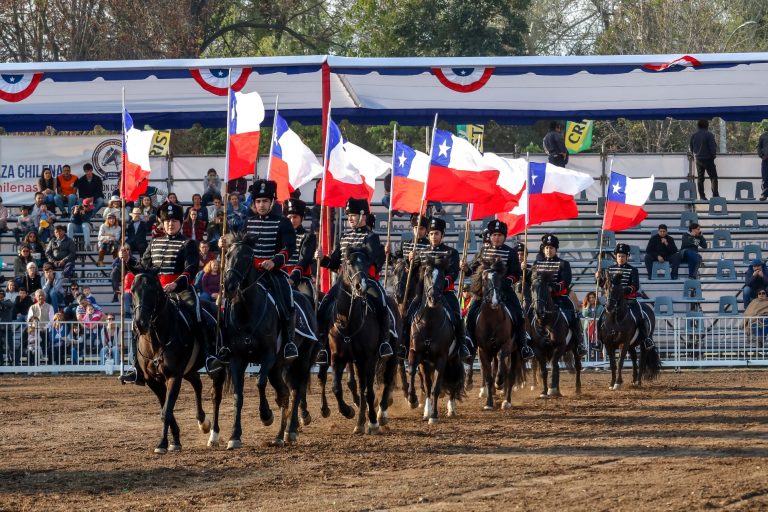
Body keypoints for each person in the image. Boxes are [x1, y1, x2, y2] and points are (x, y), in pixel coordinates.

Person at [120, 201, 224, 385]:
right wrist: (128, 260)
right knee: (139, 321)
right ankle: (136, 366)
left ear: (180, 223)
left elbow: (191, 268)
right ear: (162, 222)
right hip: (157, 293)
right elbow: (143, 268)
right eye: (167, 221)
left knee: (198, 314)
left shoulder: (189, 243)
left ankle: (209, 356)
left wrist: (176, 284)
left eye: (174, 221)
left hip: (181, 290)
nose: (171, 224)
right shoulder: (154, 243)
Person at [227, 179, 299, 360]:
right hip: (249, 273)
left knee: (287, 300)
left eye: (265, 201)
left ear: (272, 202)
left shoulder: (283, 223)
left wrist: (274, 261)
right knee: (229, 299)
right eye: (258, 201)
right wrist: (224, 242)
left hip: (273, 272)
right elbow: (237, 244)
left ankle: (289, 341)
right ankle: (226, 343)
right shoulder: (247, 221)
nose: (261, 205)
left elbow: (289, 248)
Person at [317, 197, 393, 360]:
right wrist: (323, 259)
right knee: (324, 305)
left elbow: (370, 257)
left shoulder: (371, 237)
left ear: (363, 216)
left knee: (382, 303)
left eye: (352, 215)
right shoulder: (344, 237)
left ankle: (384, 341)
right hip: (344, 283)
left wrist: (353, 255)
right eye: (348, 215)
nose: (349, 218)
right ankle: (323, 346)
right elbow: (334, 262)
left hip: (367, 281)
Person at [462, 220, 533, 360]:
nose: (497, 237)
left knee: (519, 314)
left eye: (500, 235)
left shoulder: (511, 252)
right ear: (490, 236)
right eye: (494, 234)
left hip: (505, 292)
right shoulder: (483, 251)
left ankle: (523, 345)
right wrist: (465, 268)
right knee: (470, 315)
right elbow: (473, 269)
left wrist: (504, 282)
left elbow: (515, 273)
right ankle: (469, 344)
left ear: (504, 237)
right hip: (483, 293)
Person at [407, 217, 470, 361]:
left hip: (445, 293)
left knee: (458, 316)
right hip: (424, 295)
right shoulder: (422, 252)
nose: (433, 236)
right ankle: (405, 346)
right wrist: (409, 260)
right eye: (431, 233)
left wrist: (440, 285)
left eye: (436, 233)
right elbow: (412, 270)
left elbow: (453, 273)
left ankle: (462, 346)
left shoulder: (451, 252)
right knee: (408, 314)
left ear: (442, 235)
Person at [530, 233, 586, 355]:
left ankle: (579, 342)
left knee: (573, 315)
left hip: (559, 298)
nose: (549, 250)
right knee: (528, 314)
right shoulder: (537, 264)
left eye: (551, 248)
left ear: (556, 249)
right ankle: (527, 343)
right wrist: (526, 269)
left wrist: (553, 288)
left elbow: (566, 281)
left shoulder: (563, 264)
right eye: (547, 248)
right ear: (543, 249)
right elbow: (533, 280)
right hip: (542, 300)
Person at [596, 243, 653, 349]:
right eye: (619, 256)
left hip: (629, 301)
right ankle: (599, 340)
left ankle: (646, 339)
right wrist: (599, 279)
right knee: (601, 318)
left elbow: (635, 286)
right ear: (616, 257)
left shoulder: (633, 270)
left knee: (640, 317)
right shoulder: (610, 269)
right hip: (613, 302)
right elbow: (605, 286)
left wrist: (622, 291)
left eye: (623, 256)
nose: (620, 258)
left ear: (627, 257)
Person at [282, 198, 317, 301]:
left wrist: (293, 278)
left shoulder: (308, 236)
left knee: (309, 301)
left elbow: (304, 259)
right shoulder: (281, 235)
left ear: (302, 218)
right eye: (289, 217)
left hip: (301, 279)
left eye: (295, 217)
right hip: (282, 276)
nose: (292, 220)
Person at [689, 119, 719, 200]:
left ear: (698, 126)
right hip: (708, 159)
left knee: (700, 178)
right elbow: (712, 147)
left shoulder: (694, 135)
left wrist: (695, 155)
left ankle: (702, 196)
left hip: (698, 160)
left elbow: (691, 148)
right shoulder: (709, 135)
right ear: (707, 126)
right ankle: (715, 196)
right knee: (713, 177)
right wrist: (713, 156)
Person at [515, 241, 532, 307]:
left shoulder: (531, 268)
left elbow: (531, 282)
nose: (519, 257)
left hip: (527, 298)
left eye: (522, 254)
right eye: (517, 254)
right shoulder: (510, 268)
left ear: (526, 256)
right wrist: (520, 270)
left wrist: (524, 271)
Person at [759, 125, 768, 201]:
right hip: (765, 160)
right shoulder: (763, 136)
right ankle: (765, 195)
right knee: (765, 178)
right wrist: (762, 156)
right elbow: (759, 147)